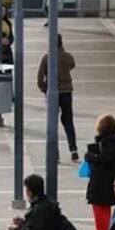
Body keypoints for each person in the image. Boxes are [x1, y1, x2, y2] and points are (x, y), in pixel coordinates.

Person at [36, 33, 80, 161]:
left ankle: (55, 153)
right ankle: (73, 149)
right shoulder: (67, 57)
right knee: (68, 121)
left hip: (53, 92)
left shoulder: (46, 58)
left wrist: (45, 89)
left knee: (52, 123)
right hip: (66, 92)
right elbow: (72, 65)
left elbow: (39, 78)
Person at [83, 114, 115, 230]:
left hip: (104, 179)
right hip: (101, 177)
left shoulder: (110, 143)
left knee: (101, 206)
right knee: (98, 206)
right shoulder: (109, 141)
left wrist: (90, 157)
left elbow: (104, 158)